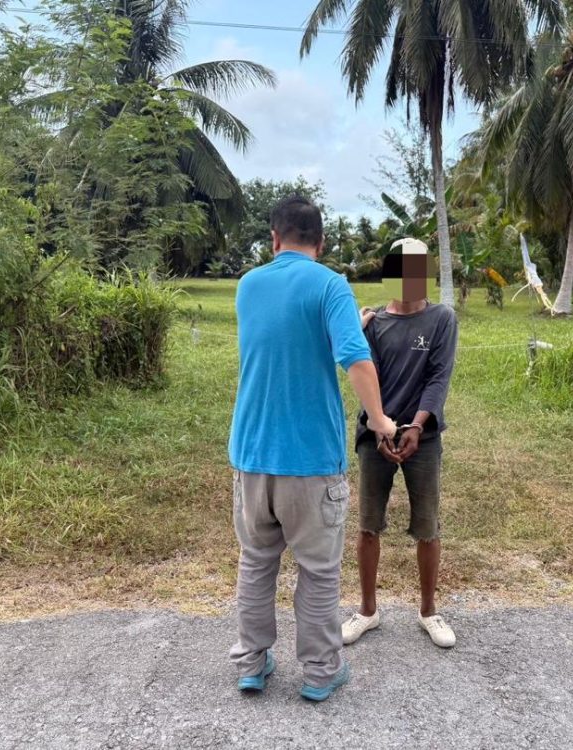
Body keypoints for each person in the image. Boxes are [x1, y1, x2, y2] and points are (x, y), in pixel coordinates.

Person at [228, 195, 397, 702]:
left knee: (256, 561)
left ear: (274, 239)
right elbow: (356, 360)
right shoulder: (330, 286)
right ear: (321, 244)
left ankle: (251, 664)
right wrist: (381, 418)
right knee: (318, 571)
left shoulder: (248, 286)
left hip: (252, 455)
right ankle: (321, 671)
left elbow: (285, 338)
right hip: (311, 462)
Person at [342, 238, 459, 649]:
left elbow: (438, 377)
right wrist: (380, 429)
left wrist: (416, 426)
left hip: (422, 439)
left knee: (427, 525)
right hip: (375, 436)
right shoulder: (372, 322)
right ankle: (367, 611)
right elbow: (366, 375)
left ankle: (429, 611)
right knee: (368, 524)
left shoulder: (442, 318)